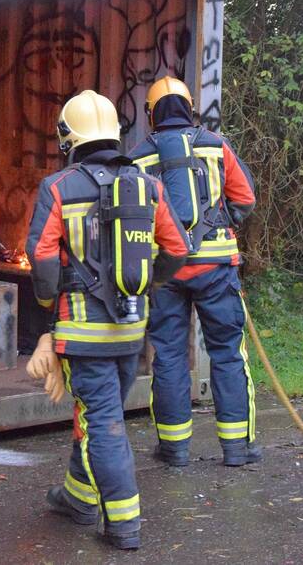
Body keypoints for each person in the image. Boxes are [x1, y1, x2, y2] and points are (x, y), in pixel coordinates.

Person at [24, 90, 190, 550]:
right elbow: (178, 249)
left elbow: (41, 258)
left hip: (82, 331)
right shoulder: (148, 186)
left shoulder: (59, 187)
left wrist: (46, 313)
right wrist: (147, 284)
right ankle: (78, 498)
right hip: (130, 330)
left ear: (67, 138)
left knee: (102, 422)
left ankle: (123, 522)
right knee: (101, 413)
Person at [127, 76, 260, 468]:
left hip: (166, 271)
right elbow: (246, 199)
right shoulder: (216, 146)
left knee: (167, 355)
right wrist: (221, 221)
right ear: (190, 108)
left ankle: (174, 449)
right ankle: (237, 449)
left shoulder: (137, 158)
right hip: (217, 268)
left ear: (151, 115)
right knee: (227, 353)